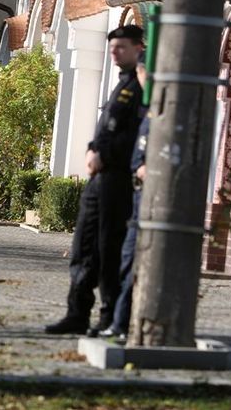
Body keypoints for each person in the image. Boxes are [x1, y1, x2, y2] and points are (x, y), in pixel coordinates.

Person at [45, 25, 145, 336]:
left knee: (108, 249)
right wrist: (93, 148)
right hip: (99, 179)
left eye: (121, 47)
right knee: (84, 247)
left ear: (139, 48)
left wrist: (106, 153)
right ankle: (77, 313)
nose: (115, 53)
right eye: (112, 47)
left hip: (117, 180)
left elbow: (138, 135)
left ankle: (109, 318)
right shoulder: (121, 84)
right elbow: (107, 129)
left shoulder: (142, 87)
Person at [100, 53, 149, 340]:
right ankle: (119, 322)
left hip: (146, 198)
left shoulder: (155, 107)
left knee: (133, 262)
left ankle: (123, 324)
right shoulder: (144, 104)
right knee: (125, 260)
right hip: (134, 192)